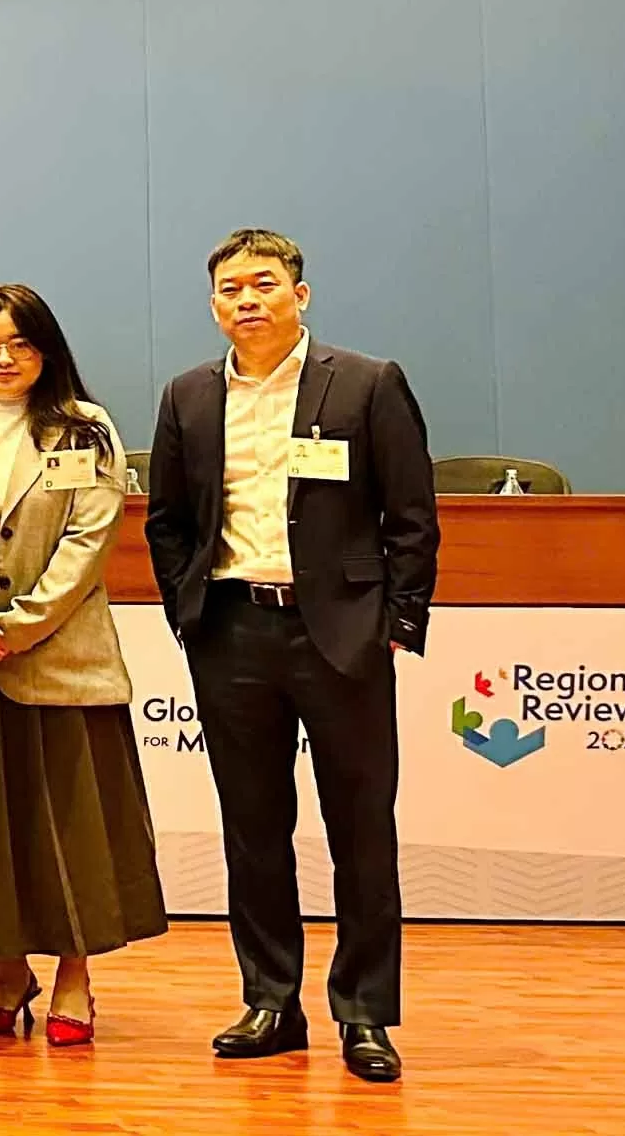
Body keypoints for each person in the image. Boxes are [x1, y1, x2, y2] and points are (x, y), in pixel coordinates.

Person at [145, 228, 438, 1085]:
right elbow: (167, 520)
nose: (247, 300)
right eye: (230, 288)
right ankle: (271, 999)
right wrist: (189, 612)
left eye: (263, 283)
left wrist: (398, 621)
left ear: (298, 295)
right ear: (213, 306)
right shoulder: (188, 395)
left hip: (342, 634)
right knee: (254, 829)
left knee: (361, 828)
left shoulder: (368, 383)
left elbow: (412, 515)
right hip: (232, 629)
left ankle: (365, 1013)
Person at [0, 285, 165, 1047]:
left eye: (20, 344)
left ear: (47, 350)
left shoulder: (83, 428)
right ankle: (7, 973)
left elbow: (89, 542)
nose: (4, 359)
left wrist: (17, 626)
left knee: (69, 830)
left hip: (58, 658)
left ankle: (72, 976)